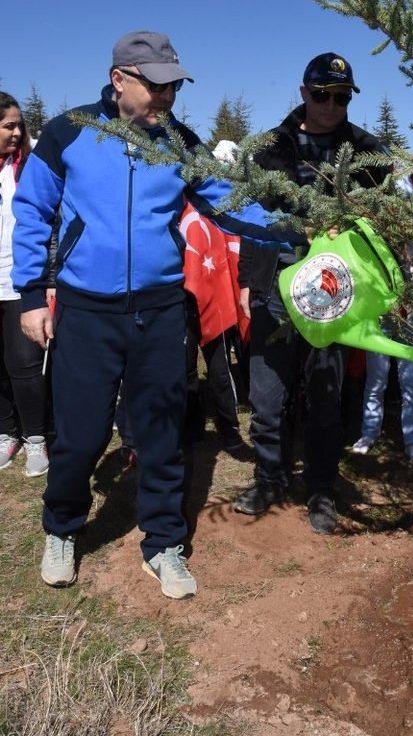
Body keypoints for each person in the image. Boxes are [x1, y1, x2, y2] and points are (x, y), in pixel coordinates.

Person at [12, 31, 296, 599]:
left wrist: (292, 230)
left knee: (164, 431)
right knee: (81, 433)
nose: (169, 94)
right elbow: (33, 208)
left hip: (162, 310)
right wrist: (28, 296)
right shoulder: (70, 131)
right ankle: (62, 529)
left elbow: (228, 201)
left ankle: (163, 543)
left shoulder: (180, 142)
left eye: (175, 83)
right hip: (88, 312)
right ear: (121, 79)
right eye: (158, 83)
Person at [233, 53, 386, 534]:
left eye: (341, 97)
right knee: (266, 393)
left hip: (330, 290)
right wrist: (246, 281)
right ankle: (270, 477)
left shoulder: (365, 151)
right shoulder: (269, 148)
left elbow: (378, 215)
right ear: (304, 92)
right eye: (322, 94)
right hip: (274, 286)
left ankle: (321, 487)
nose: (331, 104)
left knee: (325, 393)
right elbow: (250, 219)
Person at [0, 92, 48, 477]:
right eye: (8, 126)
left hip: (19, 283)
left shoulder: (31, 168)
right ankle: (5, 432)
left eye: (19, 125)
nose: (17, 133)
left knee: (24, 365)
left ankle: (36, 438)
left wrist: (47, 280)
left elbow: (48, 226)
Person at [352, 351, 413, 465]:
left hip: (409, 334)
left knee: (412, 385)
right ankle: (369, 433)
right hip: (377, 333)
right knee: (375, 384)